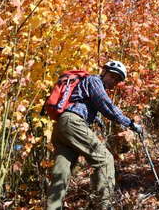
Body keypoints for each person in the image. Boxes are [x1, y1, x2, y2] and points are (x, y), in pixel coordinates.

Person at [46, 60, 142, 210]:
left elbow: (81, 103)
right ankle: (103, 205)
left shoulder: (85, 84)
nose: (114, 81)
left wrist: (96, 120)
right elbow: (105, 104)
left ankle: (52, 207)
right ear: (103, 72)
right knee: (105, 160)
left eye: (117, 80)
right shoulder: (94, 80)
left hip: (61, 127)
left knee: (61, 173)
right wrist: (129, 123)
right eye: (112, 76)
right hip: (72, 123)